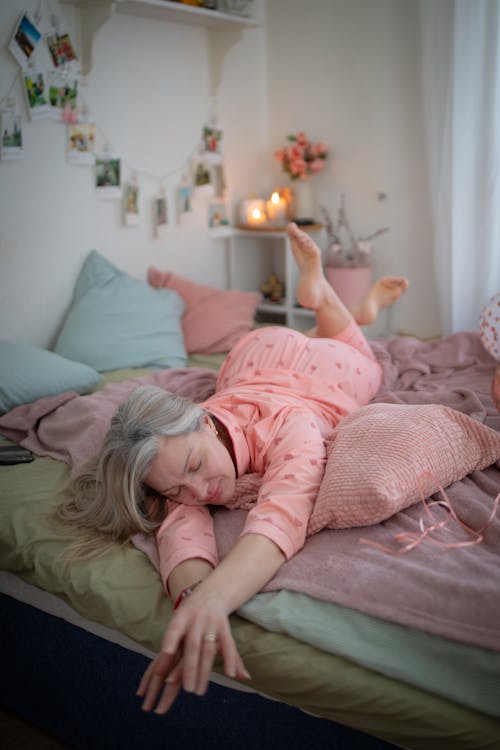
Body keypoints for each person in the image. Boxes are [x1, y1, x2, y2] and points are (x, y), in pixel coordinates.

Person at [60, 223, 409, 714]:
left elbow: (284, 509)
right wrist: (191, 599)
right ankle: (335, 304)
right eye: (180, 488)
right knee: (332, 335)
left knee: (363, 357)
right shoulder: (174, 462)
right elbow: (179, 528)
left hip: (326, 369)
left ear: (203, 416)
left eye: (197, 465)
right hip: (254, 352)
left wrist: (218, 597)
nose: (202, 492)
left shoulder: (292, 423)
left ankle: (343, 306)